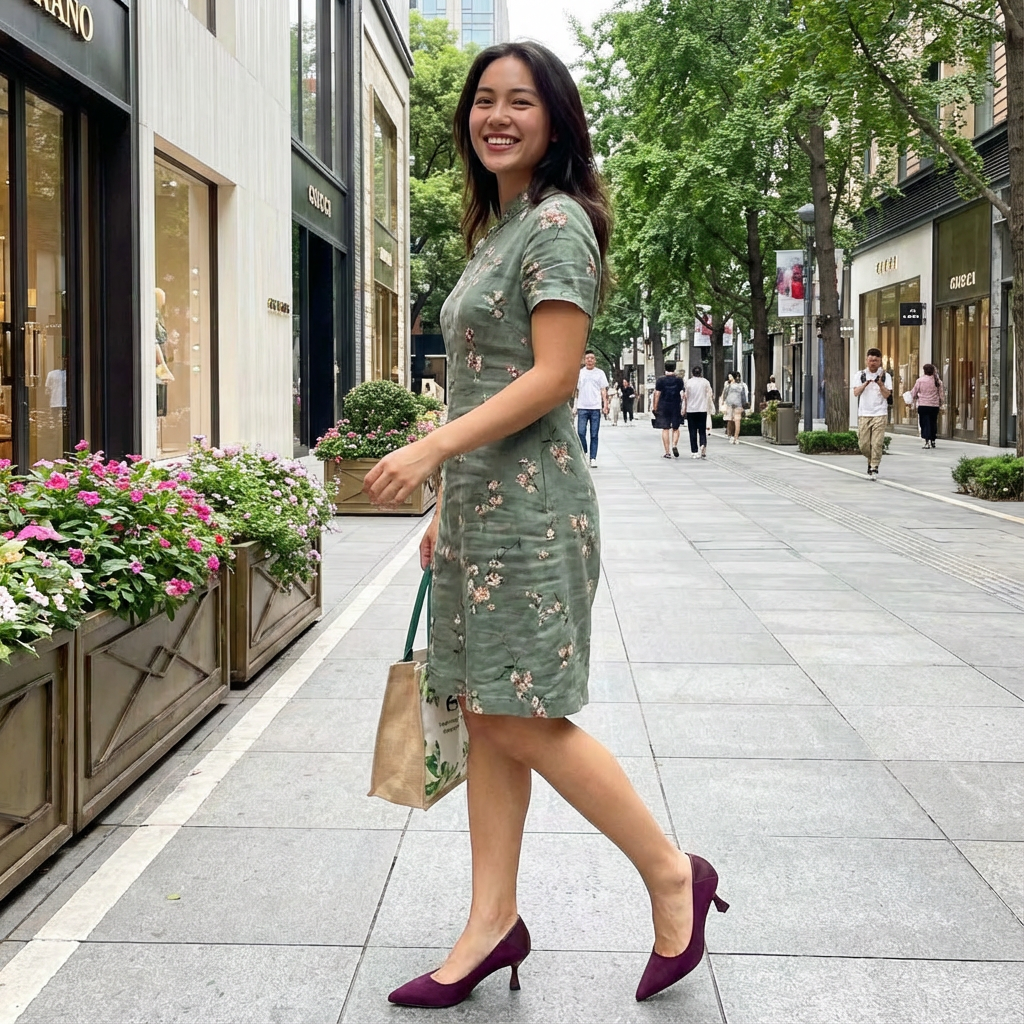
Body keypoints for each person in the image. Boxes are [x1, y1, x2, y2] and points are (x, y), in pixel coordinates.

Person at [361, 40, 725, 1011]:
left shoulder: (557, 224)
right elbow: (486, 373)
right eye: (483, 101)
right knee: (484, 713)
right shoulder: (500, 225)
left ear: (555, 120)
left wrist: (431, 452)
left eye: (519, 101)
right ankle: (491, 921)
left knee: (523, 713)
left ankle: (669, 873)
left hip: (531, 512)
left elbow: (554, 375)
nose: (496, 116)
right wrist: (448, 499)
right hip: (481, 513)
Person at [853, 347, 892, 478]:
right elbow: (855, 393)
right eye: (870, 360)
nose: (873, 363)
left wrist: (880, 385)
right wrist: (865, 384)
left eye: (875, 360)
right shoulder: (860, 375)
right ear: (866, 360)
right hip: (864, 413)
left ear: (880, 361)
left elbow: (887, 395)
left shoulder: (886, 376)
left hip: (880, 413)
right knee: (863, 444)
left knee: (877, 442)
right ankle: (870, 459)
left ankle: (874, 466)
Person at [575, 350, 609, 467]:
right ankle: (584, 451)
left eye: (592, 358)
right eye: (587, 358)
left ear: (595, 360)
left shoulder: (600, 373)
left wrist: (605, 404)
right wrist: (574, 407)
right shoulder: (579, 373)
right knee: (580, 432)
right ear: (584, 360)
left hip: (595, 407)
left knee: (594, 434)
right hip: (582, 407)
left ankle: (593, 458)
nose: (589, 360)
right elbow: (576, 391)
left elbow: (603, 390)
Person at [653, 360, 685, 457]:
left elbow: (657, 394)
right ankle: (674, 444)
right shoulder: (679, 380)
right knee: (676, 428)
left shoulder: (660, 380)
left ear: (665, 368)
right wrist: (683, 407)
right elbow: (682, 394)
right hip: (675, 405)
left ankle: (667, 452)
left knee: (665, 428)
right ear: (674, 368)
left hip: (663, 405)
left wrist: (655, 407)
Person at [682, 365, 715, 459]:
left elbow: (685, 397)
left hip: (691, 410)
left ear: (692, 373)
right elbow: (710, 394)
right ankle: (703, 444)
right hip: (702, 409)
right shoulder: (705, 382)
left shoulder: (688, 383)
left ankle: (694, 451)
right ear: (701, 373)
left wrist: (683, 409)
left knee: (692, 431)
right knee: (702, 430)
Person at [910, 362, 944, 449]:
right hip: (934, 405)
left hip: (923, 405)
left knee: (924, 423)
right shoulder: (937, 381)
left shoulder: (920, 380)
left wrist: (911, 398)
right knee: (933, 422)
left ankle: (926, 440)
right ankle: (933, 439)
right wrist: (941, 403)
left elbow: (914, 392)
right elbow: (941, 394)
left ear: (924, 371)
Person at [721, 372, 748, 445]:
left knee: (731, 420)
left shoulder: (728, 386)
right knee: (737, 421)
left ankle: (732, 436)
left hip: (730, 405)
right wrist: (744, 405)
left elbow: (725, 395)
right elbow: (743, 397)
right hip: (738, 405)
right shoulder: (741, 386)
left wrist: (724, 402)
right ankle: (736, 437)